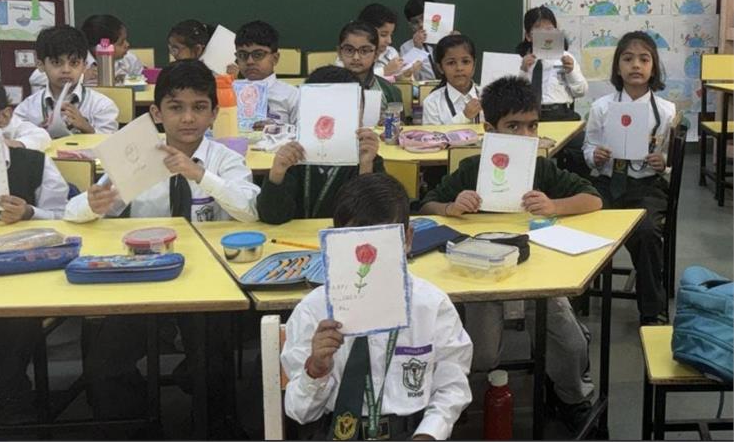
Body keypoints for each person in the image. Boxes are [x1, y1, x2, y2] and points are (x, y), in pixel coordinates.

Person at [63, 60, 259, 432]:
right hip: (144, 277)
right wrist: (92, 204)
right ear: (156, 113)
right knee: (105, 367)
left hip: (208, 281)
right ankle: (140, 427)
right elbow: (71, 213)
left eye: (199, 107)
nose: (188, 118)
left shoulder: (224, 161)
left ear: (214, 113)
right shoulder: (137, 158)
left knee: (211, 364)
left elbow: (251, 209)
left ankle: (212, 426)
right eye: (175, 107)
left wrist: (201, 175)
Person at [420, 75, 603, 432]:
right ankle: (458, 398)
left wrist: (555, 205)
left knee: (568, 341)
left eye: (532, 126)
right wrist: (450, 207)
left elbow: (593, 198)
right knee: (483, 352)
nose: (525, 135)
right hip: (482, 272)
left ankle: (571, 396)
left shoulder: (542, 168)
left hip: (539, 269)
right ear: (490, 130)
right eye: (513, 126)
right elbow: (426, 205)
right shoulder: (472, 169)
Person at [282, 173, 472, 440]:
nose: (372, 256)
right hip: (336, 432)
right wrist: (316, 370)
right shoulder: (313, 311)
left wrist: (429, 433)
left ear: (407, 239)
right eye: (356, 240)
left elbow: (452, 388)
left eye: (385, 241)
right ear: (337, 241)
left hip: (412, 432)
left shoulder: (431, 306)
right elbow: (299, 412)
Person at [0, 70, 68, 424]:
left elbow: (66, 219)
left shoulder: (32, 163)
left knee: (16, 314)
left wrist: (31, 212)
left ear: (4, 116)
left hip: (20, 271)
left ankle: (11, 389)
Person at [583, 31, 676, 325]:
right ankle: (576, 296)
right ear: (618, 67)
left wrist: (663, 164)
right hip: (607, 183)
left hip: (646, 186)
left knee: (646, 232)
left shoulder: (666, 111)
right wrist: (595, 156)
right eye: (628, 59)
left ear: (653, 67)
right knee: (582, 222)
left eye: (644, 59)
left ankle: (652, 310)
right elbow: (588, 147)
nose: (636, 65)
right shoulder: (601, 107)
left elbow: (669, 161)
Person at [256, 66, 383, 224]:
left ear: (362, 113)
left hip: (345, 237)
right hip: (297, 237)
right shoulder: (293, 157)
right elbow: (271, 217)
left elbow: (372, 219)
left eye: (346, 109)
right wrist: (277, 173)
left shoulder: (369, 158)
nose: (332, 116)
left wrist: (365, 168)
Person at [517, 6, 589, 175]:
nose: (545, 34)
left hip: (562, 116)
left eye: (549, 29)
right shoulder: (520, 61)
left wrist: (571, 71)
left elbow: (581, 91)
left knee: (582, 148)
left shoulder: (566, 58)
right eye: (538, 30)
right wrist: (523, 71)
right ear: (528, 36)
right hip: (531, 118)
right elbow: (514, 97)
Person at [12, 25, 119, 138]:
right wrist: (37, 133)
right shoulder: (27, 109)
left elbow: (111, 144)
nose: (66, 70)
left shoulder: (102, 106)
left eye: (74, 63)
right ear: (41, 65)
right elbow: (14, 138)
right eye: (57, 62)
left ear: (84, 66)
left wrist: (87, 128)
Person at [29, 14, 143, 92]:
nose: (127, 45)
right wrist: (82, 76)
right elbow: (35, 78)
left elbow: (142, 81)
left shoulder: (129, 60)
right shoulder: (76, 59)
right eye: (121, 43)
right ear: (100, 46)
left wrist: (126, 79)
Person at [234, 20, 299, 124]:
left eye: (258, 54)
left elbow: (301, 132)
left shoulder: (292, 95)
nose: (250, 61)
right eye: (242, 55)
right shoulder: (230, 92)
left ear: (275, 58)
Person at [336, 21, 402, 119]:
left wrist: (385, 124)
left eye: (364, 51)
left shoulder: (391, 92)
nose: (356, 57)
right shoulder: (326, 88)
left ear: (376, 55)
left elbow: (398, 125)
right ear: (339, 53)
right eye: (349, 50)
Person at [167, 19, 239, 106]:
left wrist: (235, 80)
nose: (172, 53)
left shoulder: (222, 70)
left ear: (197, 49)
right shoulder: (177, 69)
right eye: (170, 48)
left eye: (176, 49)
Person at [421, 35, 482, 125]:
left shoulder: (487, 95)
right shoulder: (432, 103)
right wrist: (464, 117)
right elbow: (432, 134)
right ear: (440, 68)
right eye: (451, 63)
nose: (459, 68)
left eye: (465, 62)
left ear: (474, 65)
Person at [399, 0, 440, 81]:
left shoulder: (449, 39)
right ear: (410, 25)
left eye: (424, 18)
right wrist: (417, 49)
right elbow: (407, 79)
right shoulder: (406, 48)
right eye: (415, 22)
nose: (421, 24)